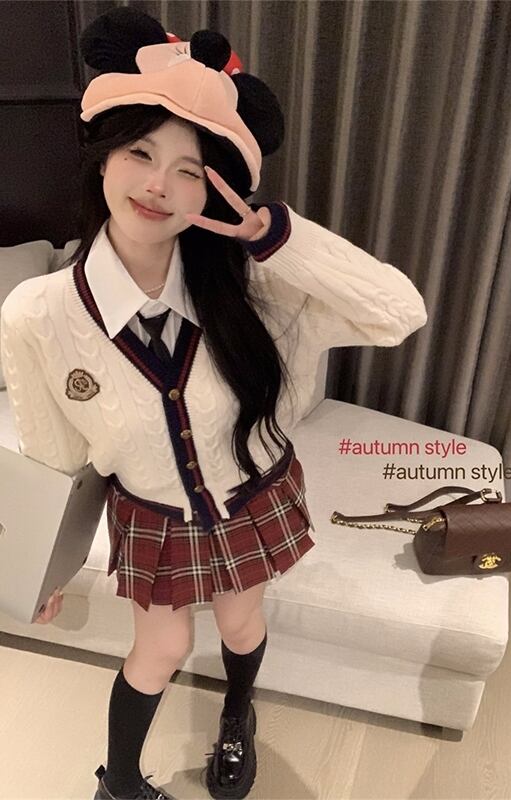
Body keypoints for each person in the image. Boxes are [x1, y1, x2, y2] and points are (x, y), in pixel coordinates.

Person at [0, 7, 428, 800]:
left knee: (239, 624)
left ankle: (237, 714)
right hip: (154, 515)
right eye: (140, 152)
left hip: (250, 496)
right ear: (102, 156)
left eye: (190, 170)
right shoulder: (36, 313)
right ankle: (120, 785)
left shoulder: (257, 283)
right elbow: (54, 450)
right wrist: (43, 563)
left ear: (215, 188)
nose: (158, 184)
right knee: (157, 652)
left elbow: (399, 312)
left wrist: (272, 234)